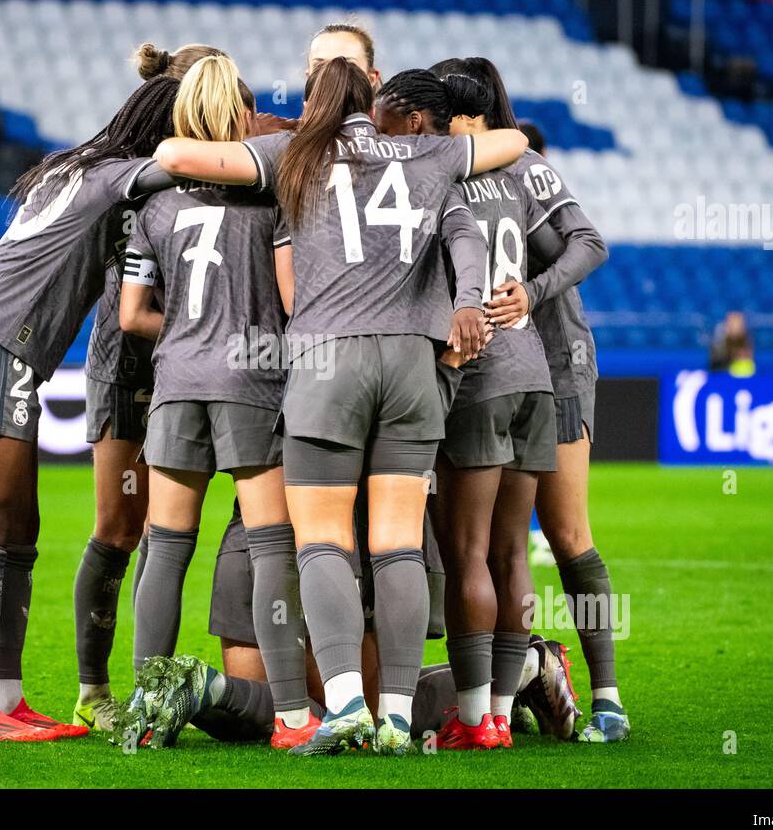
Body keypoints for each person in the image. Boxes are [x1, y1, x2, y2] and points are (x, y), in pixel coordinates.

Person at [152, 58, 528, 755]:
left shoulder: (296, 151)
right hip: (414, 364)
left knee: (324, 540)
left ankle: (347, 703)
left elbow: (175, 153)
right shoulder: (429, 153)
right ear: (378, 103)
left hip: (328, 364)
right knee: (398, 544)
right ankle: (395, 714)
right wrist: (469, 298)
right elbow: (510, 150)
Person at [0, 75, 181, 741]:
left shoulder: (79, 167)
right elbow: (182, 162)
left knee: (21, 530)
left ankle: (5, 700)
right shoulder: (115, 177)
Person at [119, 55, 317, 748]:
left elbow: (128, 316)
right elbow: (296, 302)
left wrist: (183, 335)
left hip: (176, 383)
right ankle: (293, 714)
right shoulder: (274, 198)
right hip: (251, 384)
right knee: (272, 548)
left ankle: (147, 713)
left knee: (165, 549)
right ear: (240, 116)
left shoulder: (155, 204)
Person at [435, 56, 627, 743]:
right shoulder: (467, 168)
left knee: (565, 534)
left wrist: (535, 292)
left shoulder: (523, 165)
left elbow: (588, 243)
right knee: (491, 545)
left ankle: (605, 696)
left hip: (555, 361)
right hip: (505, 369)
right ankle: (512, 685)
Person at [72, 42, 225, 732]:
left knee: (168, 528)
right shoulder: (139, 167)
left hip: (188, 363)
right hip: (129, 364)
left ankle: (152, 684)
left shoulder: (213, 164)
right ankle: (94, 686)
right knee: (122, 526)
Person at [709, 310, 755, 376]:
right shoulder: (719, 338)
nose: (735, 325)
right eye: (732, 322)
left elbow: (748, 361)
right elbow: (715, 363)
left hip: (741, 374)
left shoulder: (746, 339)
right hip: (721, 373)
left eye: (738, 322)